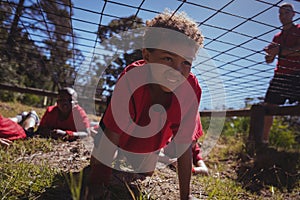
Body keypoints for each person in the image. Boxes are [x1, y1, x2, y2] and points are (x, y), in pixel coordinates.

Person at [87, 10, 204, 200]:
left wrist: (186, 197)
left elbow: (184, 145)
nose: (177, 71)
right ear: (147, 56)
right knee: (95, 168)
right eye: (168, 58)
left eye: (186, 63)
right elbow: (113, 134)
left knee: (144, 174)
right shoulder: (131, 79)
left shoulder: (190, 90)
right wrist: (98, 184)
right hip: (117, 133)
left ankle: (152, 156)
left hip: (151, 139)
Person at [262, 3, 300, 144]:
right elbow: (269, 61)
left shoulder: (299, 30)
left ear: (293, 14)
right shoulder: (277, 37)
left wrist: (279, 51)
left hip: (298, 74)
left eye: (286, 12)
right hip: (280, 76)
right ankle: (263, 142)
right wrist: (269, 54)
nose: (283, 16)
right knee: (268, 107)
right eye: (281, 13)